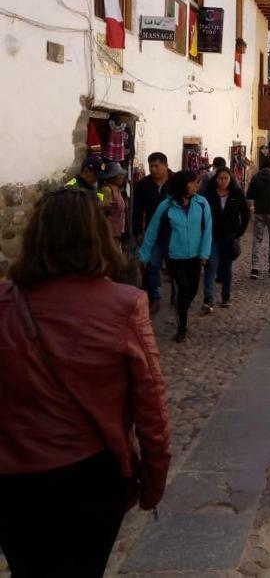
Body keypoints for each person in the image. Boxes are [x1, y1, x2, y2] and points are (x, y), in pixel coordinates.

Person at [0, 188, 170, 577]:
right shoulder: (123, 304)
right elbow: (151, 404)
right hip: (89, 476)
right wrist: (153, 479)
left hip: (12, 480)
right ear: (98, 235)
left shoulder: (5, 303)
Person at [140, 171, 212, 342]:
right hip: (174, 256)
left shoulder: (202, 204)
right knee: (183, 288)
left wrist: (204, 253)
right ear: (182, 185)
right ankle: (182, 326)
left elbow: (207, 230)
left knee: (193, 290)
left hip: (195, 256)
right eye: (193, 182)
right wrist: (144, 255)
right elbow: (152, 231)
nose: (196, 185)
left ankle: (181, 309)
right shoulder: (166, 206)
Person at [203, 167, 249, 311]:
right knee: (211, 266)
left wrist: (239, 232)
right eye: (220, 178)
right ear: (215, 179)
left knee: (226, 267)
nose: (222, 181)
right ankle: (208, 299)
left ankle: (226, 295)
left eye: (225, 178)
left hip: (229, 237)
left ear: (230, 179)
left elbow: (246, 213)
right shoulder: (208, 195)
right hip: (212, 236)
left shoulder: (237, 194)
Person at [132, 152, 172, 314]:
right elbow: (137, 210)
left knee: (174, 265)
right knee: (152, 265)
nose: (154, 169)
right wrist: (138, 232)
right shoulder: (143, 185)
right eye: (151, 166)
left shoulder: (176, 182)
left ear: (165, 165)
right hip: (152, 232)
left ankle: (177, 292)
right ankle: (154, 297)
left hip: (173, 232)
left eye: (157, 166)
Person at [246, 155, 270, 280]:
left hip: (259, 212)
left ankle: (255, 268)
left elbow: (249, 195)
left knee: (257, 239)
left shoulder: (255, 177)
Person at [100, 162, 126, 249]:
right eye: (119, 175)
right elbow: (99, 209)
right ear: (112, 177)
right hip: (108, 233)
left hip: (117, 232)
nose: (122, 177)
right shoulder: (106, 190)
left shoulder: (118, 190)